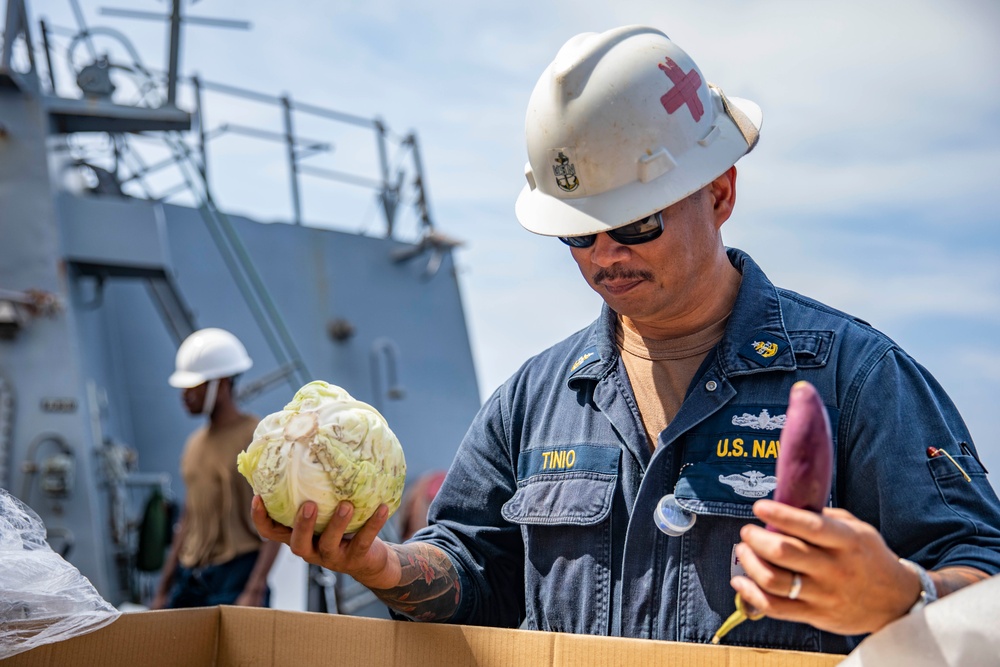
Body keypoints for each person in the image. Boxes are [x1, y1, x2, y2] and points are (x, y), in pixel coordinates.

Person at [251, 26, 1000, 653]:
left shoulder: (856, 377)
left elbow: (985, 575)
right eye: (577, 231)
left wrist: (909, 592)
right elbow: (472, 570)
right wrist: (380, 563)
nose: (606, 254)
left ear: (720, 193)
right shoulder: (531, 400)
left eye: (637, 223)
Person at [152, 327, 280, 609]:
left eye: (193, 385)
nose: (184, 394)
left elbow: (279, 517)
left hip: (237, 575)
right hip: (190, 578)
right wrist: (163, 589)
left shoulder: (257, 437)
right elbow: (188, 517)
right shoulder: (194, 443)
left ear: (221, 383)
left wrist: (255, 588)